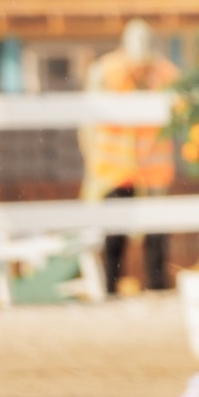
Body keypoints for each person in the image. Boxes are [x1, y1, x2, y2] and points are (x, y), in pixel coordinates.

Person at [80, 19, 180, 293]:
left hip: (153, 170)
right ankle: (110, 289)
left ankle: (157, 288)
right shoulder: (105, 72)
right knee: (114, 234)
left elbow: (180, 111)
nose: (141, 68)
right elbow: (89, 120)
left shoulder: (167, 74)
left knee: (156, 234)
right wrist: (92, 162)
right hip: (116, 170)